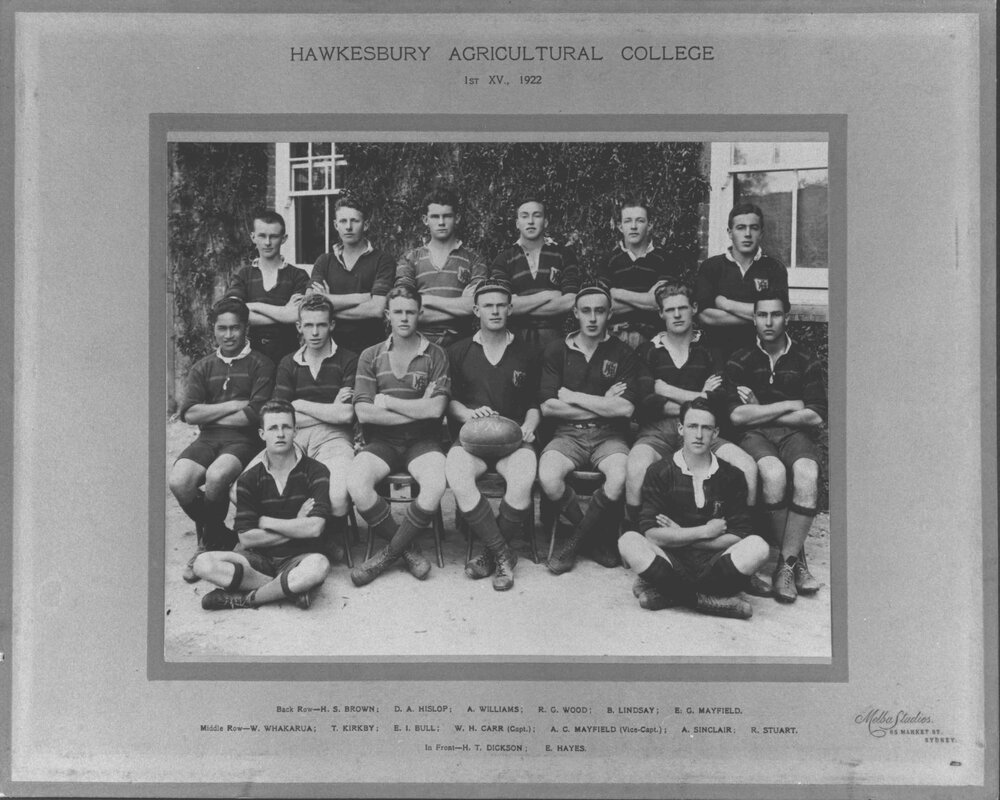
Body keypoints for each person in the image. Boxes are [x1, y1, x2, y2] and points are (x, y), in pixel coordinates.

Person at [618, 398, 771, 619]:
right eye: (692, 426)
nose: (699, 435)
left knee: (759, 547)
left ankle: (671, 595)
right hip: (673, 560)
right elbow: (651, 533)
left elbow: (740, 534)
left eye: (706, 428)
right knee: (629, 541)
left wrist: (679, 533)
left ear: (715, 433)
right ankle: (706, 601)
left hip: (714, 562)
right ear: (681, 429)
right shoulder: (660, 471)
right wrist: (704, 532)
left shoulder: (731, 475)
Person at [625, 281, 758, 532]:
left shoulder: (710, 350)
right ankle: (636, 536)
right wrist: (700, 396)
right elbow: (645, 403)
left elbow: (720, 398)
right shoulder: (647, 350)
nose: (677, 315)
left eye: (683, 308)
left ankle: (743, 536)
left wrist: (666, 390)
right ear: (660, 313)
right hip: (658, 432)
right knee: (635, 467)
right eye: (670, 309)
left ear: (694, 309)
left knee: (747, 467)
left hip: (705, 430)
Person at [724, 291, 827, 603]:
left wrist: (762, 406)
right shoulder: (739, 359)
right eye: (762, 315)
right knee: (772, 473)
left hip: (794, 434)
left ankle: (786, 564)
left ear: (787, 317)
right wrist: (790, 403)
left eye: (775, 315)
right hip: (755, 435)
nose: (768, 322)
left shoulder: (806, 359)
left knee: (807, 473)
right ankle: (797, 560)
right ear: (754, 319)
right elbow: (738, 415)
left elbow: (815, 414)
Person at [347, 285, 451, 585]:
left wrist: (388, 401)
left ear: (420, 313)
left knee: (434, 483)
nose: (404, 317)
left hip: (423, 440)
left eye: (410, 311)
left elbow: (436, 411)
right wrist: (418, 405)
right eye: (398, 312)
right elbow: (364, 413)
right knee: (356, 482)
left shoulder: (436, 355)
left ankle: (387, 555)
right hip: (382, 442)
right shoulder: (371, 355)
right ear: (387, 315)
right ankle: (407, 549)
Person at [538, 280, 643, 574]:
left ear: (610, 313)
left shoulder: (623, 352)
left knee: (620, 474)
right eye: (586, 311)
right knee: (548, 476)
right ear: (575, 312)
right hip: (567, 434)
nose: (593, 318)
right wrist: (603, 401)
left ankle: (573, 543)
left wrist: (573, 396)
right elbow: (548, 406)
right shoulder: (557, 350)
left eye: (600, 311)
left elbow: (625, 409)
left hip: (608, 436)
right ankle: (593, 536)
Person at [169, 297, 276, 582]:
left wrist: (209, 413)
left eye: (235, 328)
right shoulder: (203, 367)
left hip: (244, 441)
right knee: (180, 481)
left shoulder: (261, 365)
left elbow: (252, 416)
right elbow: (189, 413)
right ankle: (216, 533)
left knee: (217, 476)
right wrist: (232, 405)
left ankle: (206, 544)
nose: (228, 335)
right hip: (207, 439)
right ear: (213, 330)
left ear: (245, 329)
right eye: (222, 329)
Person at [445, 278, 540, 591]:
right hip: (472, 440)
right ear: (476, 310)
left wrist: (529, 426)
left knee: (524, 476)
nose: (495, 311)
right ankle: (502, 554)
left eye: (501, 305)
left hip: (512, 441)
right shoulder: (458, 351)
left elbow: (535, 404)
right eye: (488, 305)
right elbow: (449, 403)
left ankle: (488, 554)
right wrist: (468, 414)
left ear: (510, 308)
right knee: (457, 473)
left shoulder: (526, 351)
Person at [192, 399, 331, 610]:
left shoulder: (317, 471)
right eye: (273, 428)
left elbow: (314, 528)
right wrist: (296, 523)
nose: (280, 433)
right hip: (257, 561)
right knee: (202, 564)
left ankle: (245, 599)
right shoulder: (249, 479)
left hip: (300, 558)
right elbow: (246, 537)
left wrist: (266, 522)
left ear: (296, 430)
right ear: (262, 434)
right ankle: (287, 591)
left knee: (319, 566)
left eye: (286, 427)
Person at [271, 293, 358, 562]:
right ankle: (296, 542)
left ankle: (326, 537)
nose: (315, 332)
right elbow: (279, 416)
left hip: (334, 438)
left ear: (332, 324)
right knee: (253, 485)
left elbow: (346, 415)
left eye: (321, 324)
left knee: (337, 497)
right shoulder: (288, 363)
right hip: (294, 437)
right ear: (299, 327)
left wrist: (298, 403)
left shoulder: (349, 359)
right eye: (308, 325)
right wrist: (328, 409)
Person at [695, 202, 789, 370]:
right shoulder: (711, 267)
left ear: (761, 233)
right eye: (740, 228)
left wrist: (726, 304)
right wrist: (759, 317)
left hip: (760, 357)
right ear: (730, 233)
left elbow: (778, 316)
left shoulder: (774, 268)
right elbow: (706, 317)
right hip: (716, 355)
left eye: (753, 228)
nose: (747, 234)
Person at [395, 186, 489, 347]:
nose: (441, 222)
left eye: (447, 216)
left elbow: (475, 308)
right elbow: (405, 308)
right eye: (435, 216)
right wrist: (459, 304)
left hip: (463, 345)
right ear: (425, 220)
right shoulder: (410, 259)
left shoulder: (474, 259)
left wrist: (423, 299)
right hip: (418, 345)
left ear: (457, 218)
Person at [489, 197, 579, 357]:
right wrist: (548, 295)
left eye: (536, 215)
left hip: (555, 340)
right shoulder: (504, 259)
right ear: (517, 223)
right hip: (515, 343)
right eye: (524, 216)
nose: (530, 221)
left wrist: (520, 302)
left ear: (545, 221)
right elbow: (504, 306)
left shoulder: (564, 254)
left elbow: (571, 301)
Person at [309, 196, 396, 354]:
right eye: (343, 221)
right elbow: (312, 305)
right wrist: (362, 297)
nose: (348, 227)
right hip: (329, 351)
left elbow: (377, 309)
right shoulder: (324, 261)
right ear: (336, 225)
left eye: (354, 221)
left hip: (370, 351)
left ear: (366, 224)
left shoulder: (383, 260)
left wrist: (328, 306)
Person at [224, 210, 310, 366]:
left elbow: (296, 315)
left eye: (274, 236)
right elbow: (234, 314)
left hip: (289, 359)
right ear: (253, 237)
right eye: (262, 236)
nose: (267, 242)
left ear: (283, 239)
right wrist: (282, 313)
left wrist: (252, 307)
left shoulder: (298, 276)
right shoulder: (243, 275)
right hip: (249, 360)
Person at [598, 198, 682, 349]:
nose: (634, 226)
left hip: (653, 339)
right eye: (628, 221)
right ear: (620, 226)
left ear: (649, 225)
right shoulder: (608, 260)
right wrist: (647, 298)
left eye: (640, 221)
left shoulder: (664, 259)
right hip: (615, 337)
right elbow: (603, 307)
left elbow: (661, 303)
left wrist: (616, 293)